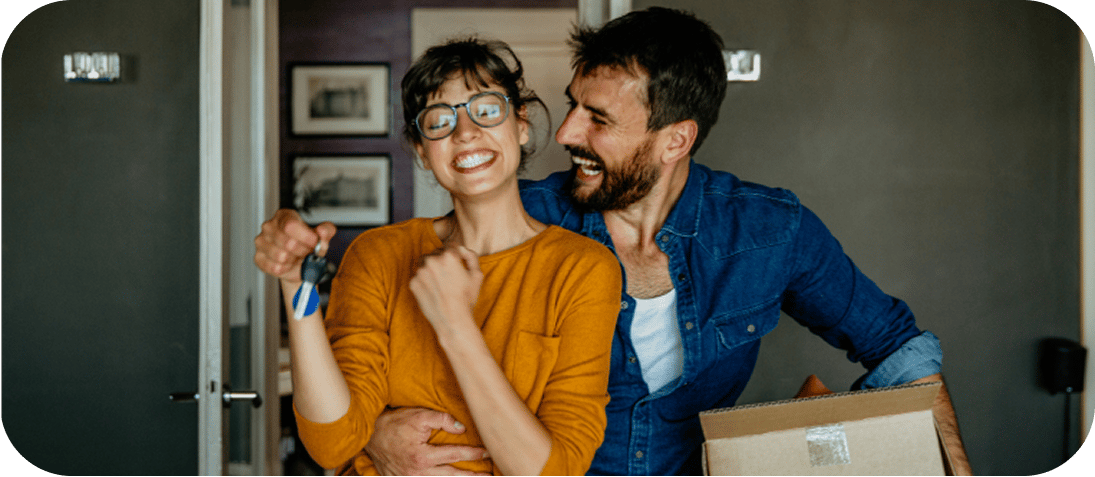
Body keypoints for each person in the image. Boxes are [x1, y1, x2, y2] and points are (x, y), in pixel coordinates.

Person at [266, 7, 973, 476]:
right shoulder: (522, 219)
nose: (568, 132)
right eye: (571, 106)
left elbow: (898, 348)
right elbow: (401, 365)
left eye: (596, 118)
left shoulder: (767, 230)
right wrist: (372, 434)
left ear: (674, 140)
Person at [254, 37, 623, 476]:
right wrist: (295, 285)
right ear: (422, 151)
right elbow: (332, 445)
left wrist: (455, 326)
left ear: (521, 124)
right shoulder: (378, 254)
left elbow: (554, 470)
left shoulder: (583, 269)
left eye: (486, 109)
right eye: (439, 120)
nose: (465, 132)